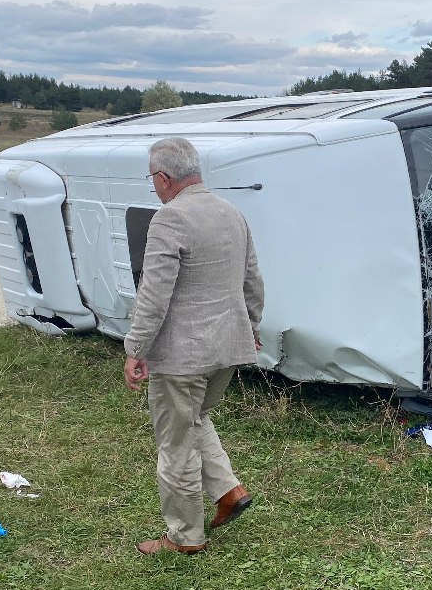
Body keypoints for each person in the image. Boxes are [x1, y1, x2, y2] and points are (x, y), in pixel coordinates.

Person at [124, 137, 264, 555]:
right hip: (229, 346)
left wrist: (136, 347)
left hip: (183, 356)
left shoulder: (169, 219)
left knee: (175, 443)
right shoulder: (232, 213)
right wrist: (252, 325)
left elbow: (155, 292)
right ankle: (228, 491)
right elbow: (252, 280)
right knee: (195, 419)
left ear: (164, 178)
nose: (153, 185)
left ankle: (185, 537)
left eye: (153, 178)